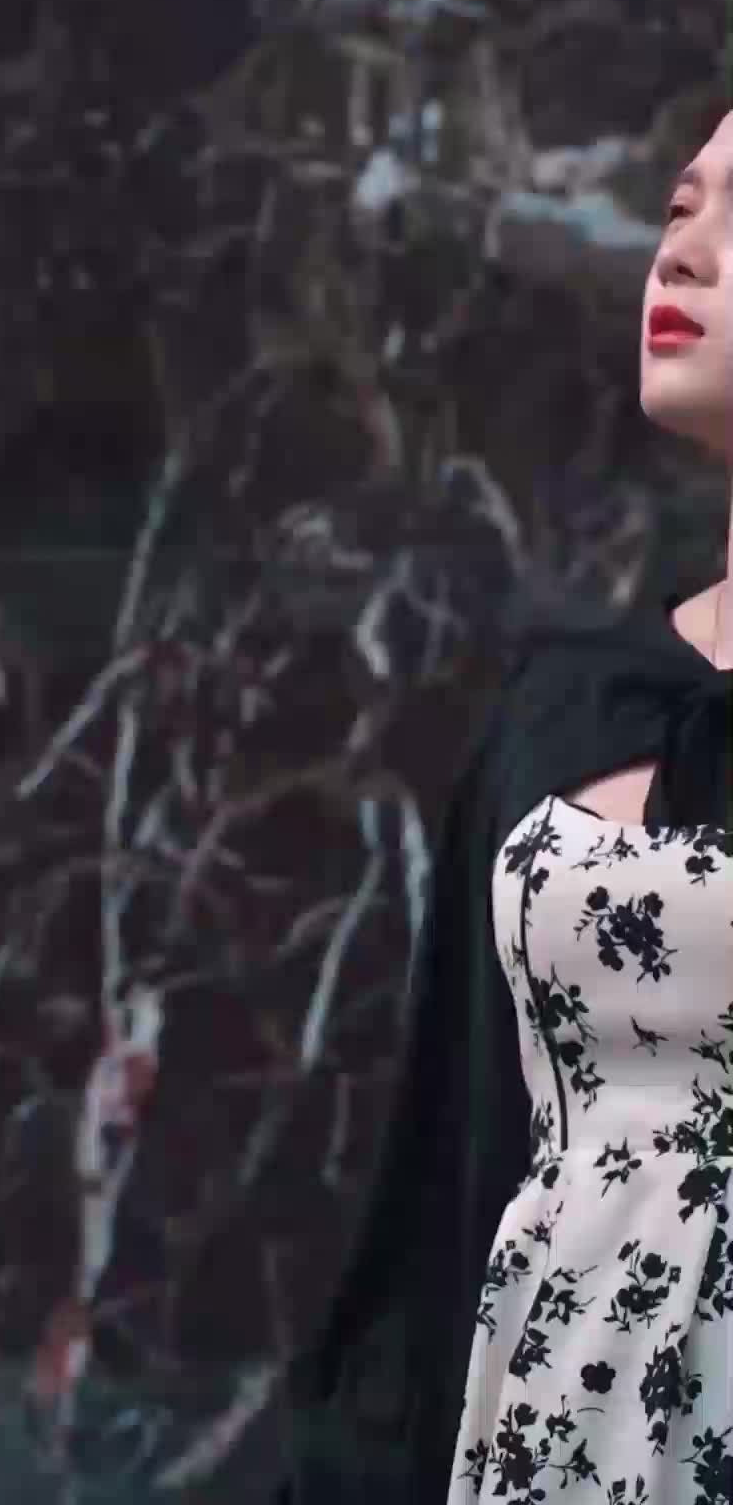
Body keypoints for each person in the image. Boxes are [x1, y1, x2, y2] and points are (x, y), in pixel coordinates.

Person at [274, 108, 733, 1504]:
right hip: (552, 1423)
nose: (684, 251)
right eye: (680, 206)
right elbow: (453, 1137)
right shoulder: (581, 699)